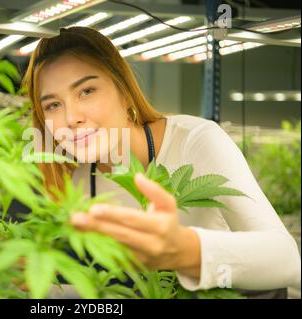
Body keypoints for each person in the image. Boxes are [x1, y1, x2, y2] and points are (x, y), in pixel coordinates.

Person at [21, 26, 300, 298]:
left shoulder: (195, 140)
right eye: (53, 105)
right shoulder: (79, 181)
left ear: (125, 92)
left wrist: (184, 250)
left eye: (86, 91)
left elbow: (287, 259)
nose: (71, 118)